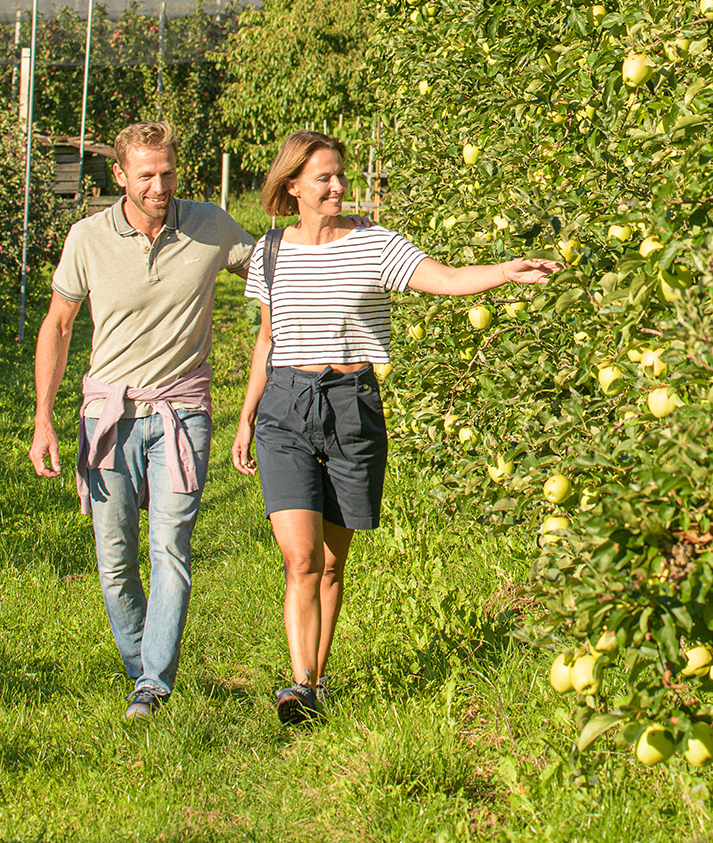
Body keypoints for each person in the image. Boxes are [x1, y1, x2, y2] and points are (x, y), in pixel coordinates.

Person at [230, 129, 557, 725]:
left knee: (332, 560)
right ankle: (299, 684)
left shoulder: (375, 244)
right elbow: (267, 338)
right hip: (286, 406)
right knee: (299, 557)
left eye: (339, 175)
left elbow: (448, 279)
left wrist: (506, 272)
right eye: (323, 177)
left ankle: (317, 680)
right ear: (293, 185)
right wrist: (247, 416)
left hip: (353, 405)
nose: (337, 186)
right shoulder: (270, 251)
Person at [30, 120, 255, 720]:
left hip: (182, 411)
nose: (160, 185)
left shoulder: (209, 225)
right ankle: (141, 670)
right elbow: (57, 325)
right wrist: (43, 420)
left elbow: (270, 269)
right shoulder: (86, 238)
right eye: (147, 174)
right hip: (109, 416)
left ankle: (153, 685)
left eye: (168, 172)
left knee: (171, 547)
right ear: (121, 176)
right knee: (114, 561)